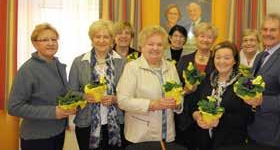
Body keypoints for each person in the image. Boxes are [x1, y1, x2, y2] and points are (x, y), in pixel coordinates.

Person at [7, 23, 75, 150]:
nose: (51, 43)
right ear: (34, 44)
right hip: (37, 138)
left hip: (58, 133)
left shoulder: (57, 65)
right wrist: (53, 112)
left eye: (54, 39)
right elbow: (14, 107)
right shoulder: (28, 70)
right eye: (45, 40)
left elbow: (61, 97)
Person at [116, 25, 183, 143]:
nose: (155, 48)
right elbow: (123, 101)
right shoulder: (132, 67)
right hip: (140, 136)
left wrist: (177, 104)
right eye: (150, 44)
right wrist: (153, 104)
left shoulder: (171, 67)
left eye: (159, 44)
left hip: (167, 134)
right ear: (142, 46)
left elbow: (179, 93)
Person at [244, 13, 280, 150]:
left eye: (273, 30)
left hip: (272, 134)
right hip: (254, 129)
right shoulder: (261, 55)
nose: (267, 33)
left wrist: (262, 101)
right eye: (265, 29)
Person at [69, 19, 127, 150]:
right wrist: (84, 97)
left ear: (112, 39)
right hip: (86, 124)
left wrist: (115, 99)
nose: (102, 40)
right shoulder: (79, 62)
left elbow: (128, 93)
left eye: (106, 37)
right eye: (98, 36)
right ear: (92, 38)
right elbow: (71, 92)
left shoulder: (122, 63)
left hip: (115, 123)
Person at [192, 41, 254, 150]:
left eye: (227, 58)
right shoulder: (206, 80)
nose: (222, 61)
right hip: (203, 141)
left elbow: (248, 117)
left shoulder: (244, 83)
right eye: (218, 57)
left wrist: (220, 119)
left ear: (235, 61)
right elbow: (193, 105)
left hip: (231, 143)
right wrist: (198, 117)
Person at [175, 22, 217, 150]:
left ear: (214, 40)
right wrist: (185, 91)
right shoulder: (184, 60)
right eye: (202, 36)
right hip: (186, 117)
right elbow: (175, 90)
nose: (205, 40)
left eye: (209, 37)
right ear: (196, 38)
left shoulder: (218, 60)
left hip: (209, 115)